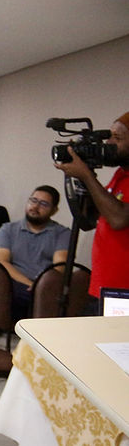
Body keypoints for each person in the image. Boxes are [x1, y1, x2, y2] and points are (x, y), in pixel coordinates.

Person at [55, 111, 129, 312]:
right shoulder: (121, 174)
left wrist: (87, 176)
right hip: (104, 287)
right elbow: (88, 219)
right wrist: (82, 174)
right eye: (110, 136)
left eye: (118, 138)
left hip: (124, 292)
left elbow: (119, 218)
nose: (109, 143)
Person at [0, 184, 70, 323]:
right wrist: (29, 284)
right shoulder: (8, 229)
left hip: (46, 285)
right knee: (7, 288)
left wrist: (41, 285)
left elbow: (60, 266)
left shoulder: (62, 233)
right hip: (15, 283)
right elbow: (1, 262)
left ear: (54, 210)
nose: (35, 207)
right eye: (33, 201)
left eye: (43, 204)